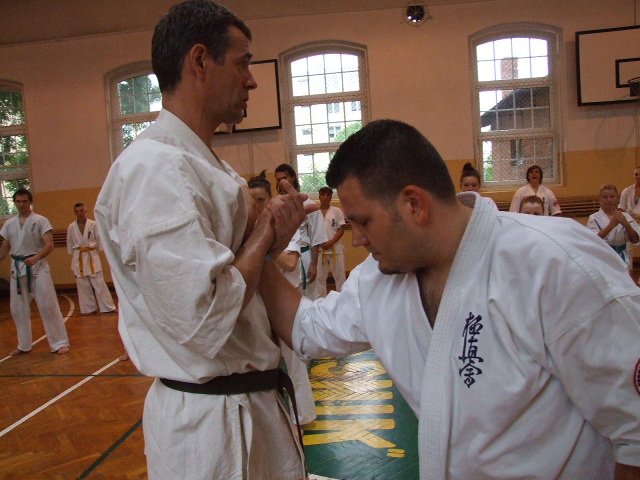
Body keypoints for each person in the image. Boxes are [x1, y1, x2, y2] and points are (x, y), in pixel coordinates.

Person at [259, 119, 640, 480]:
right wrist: (259, 246)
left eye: (364, 221)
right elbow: (307, 328)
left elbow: (636, 434)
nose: (356, 238)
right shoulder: (377, 280)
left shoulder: (554, 264)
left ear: (414, 204)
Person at [94, 2, 309, 478]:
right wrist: (263, 236)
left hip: (247, 405)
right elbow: (204, 314)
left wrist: (269, 240)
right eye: (243, 63)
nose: (252, 81)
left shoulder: (207, 165)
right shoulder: (152, 169)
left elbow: (231, 273)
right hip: (211, 426)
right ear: (199, 61)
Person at [248, 171, 317, 425]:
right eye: (251, 201)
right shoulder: (248, 232)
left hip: (286, 305)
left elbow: (289, 263)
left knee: (294, 363)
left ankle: (304, 415)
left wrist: (264, 242)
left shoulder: (284, 227)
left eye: (261, 200)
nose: (256, 206)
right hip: (258, 307)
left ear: (270, 200)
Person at [0, 188, 70, 356]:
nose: (21, 204)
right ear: (14, 202)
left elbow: (49, 244)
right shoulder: (9, 224)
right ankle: (23, 344)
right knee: (17, 308)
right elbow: (4, 248)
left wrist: (36, 257)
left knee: (48, 305)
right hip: (17, 268)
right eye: (18, 201)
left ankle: (59, 342)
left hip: (37, 267)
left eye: (24, 201)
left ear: (30, 202)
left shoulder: (40, 220)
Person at [275, 163, 328, 299]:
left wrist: (314, 265)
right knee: (289, 297)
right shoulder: (277, 204)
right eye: (278, 179)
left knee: (309, 296)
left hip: (305, 256)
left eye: (284, 178)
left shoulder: (308, 204)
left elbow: (316, 237)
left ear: (293, 177)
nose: (281, 182)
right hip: (284, 258)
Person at [66, 202, 116, 315]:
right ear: (74, 212)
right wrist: (72, 253)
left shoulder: (93, 224)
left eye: (81, 211)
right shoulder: (71, 227)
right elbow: (69, 241)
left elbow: (99, 239)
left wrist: (97, 250)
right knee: (82, 284)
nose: (80, 213)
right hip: (79, 256)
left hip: (91, 255)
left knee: (99, 282)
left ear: (85, 211)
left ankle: (108, 307)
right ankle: (88, 309)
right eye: (77, 211)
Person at [587, 184, 640, 270]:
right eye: (605, 197)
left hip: (623, 258)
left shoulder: (625, 217)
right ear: (599, 199)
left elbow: (635, 239)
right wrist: (611, 225)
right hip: (603, 259)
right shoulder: (594, 218)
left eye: (612, 196)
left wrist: (626, 224)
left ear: (617, 198)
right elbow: (592, 240)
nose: (609, 200)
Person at [314, 186, 346, 297]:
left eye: (328, 195)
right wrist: (320, 243)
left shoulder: (337, 211)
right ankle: (321, 300)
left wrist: (331, 242)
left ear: (331, 197)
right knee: (319, 277)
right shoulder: (314, 213)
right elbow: (312, 231)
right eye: (323, 195)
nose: (325, 197)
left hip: (335, 248)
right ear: (319, 196)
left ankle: (342, 299)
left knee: (340, 276)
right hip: (320, 249)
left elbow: (341, 229)